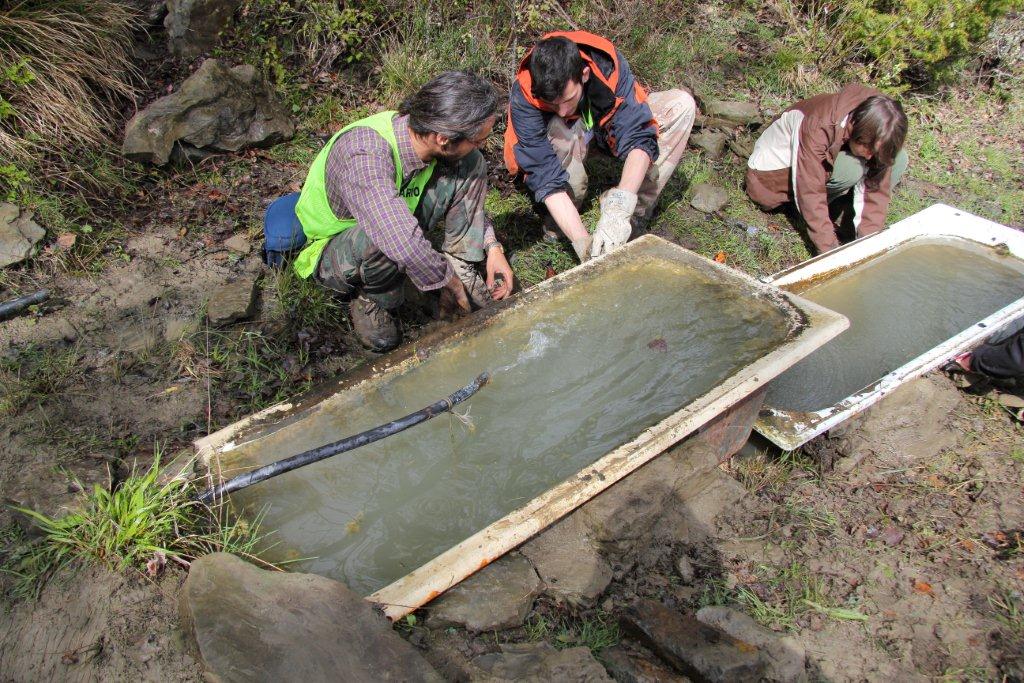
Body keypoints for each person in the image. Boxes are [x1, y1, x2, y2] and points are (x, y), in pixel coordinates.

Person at [264, 71, 513, 352]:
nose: (482, 145)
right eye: (478, 139)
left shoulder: (423, 136)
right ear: (443, 139)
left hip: (394, 222)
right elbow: (397, 238)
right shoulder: (364, 155)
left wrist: (492, 247)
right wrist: (448, 281)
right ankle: (372, 298)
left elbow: (456, 195)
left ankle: (461, 263)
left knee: (471, 163)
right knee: (383, 241)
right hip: (330, 248)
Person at [503, 31, 697, 261]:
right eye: (552, 103)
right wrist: (584, 246)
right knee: (563, 145)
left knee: (682, 105)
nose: (563, 110)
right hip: (560, 139)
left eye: (568, 99)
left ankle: (630, 218)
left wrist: (620, 207)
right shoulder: (525, 92)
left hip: (597, 130)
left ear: (584, 75)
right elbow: (543, 173)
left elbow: (638, 134)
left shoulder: (607, 65)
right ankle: (561, 220)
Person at [745, 84, 909, 254]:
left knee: (897, 158)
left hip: (813, 169)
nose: (869, 156)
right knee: (853, 169)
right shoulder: (819, 125)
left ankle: (846, 224)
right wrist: (830, 251)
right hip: (768, 179)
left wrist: (869, 248)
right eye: (867, 149)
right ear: (856, 128)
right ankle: (803, 211)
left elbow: (876, 190)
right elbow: (810, 189)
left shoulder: (879, 121)